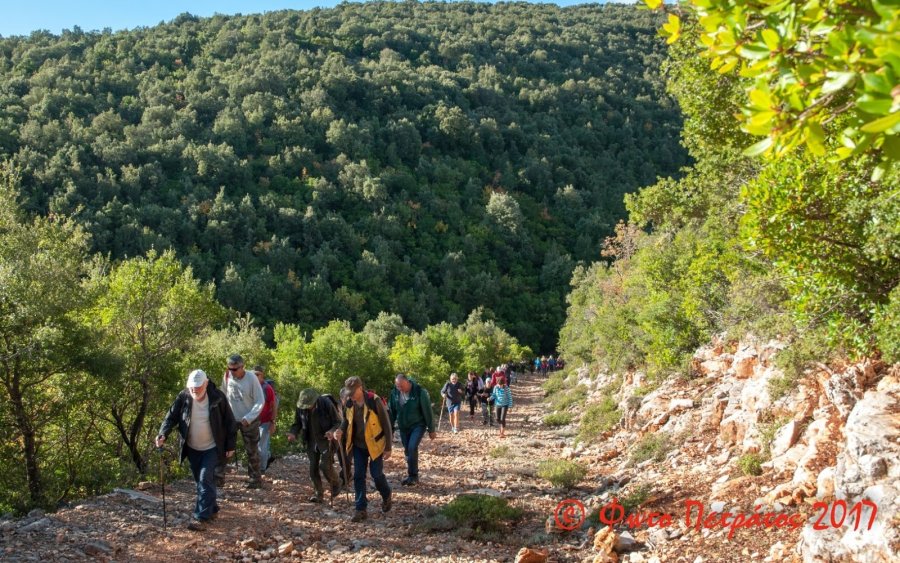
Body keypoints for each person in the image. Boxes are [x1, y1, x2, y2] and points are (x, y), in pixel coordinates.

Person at [156, 369, 236, 530]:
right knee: (200, 481)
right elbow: (170, 417)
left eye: (198, 387)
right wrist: (162, 434)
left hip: (213, 446)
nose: (195, 390)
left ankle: (201, 517)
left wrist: (230, 445)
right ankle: (212, 509)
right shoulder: (184, 397)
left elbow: (230, 421)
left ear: (206, 384)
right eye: (192, 387)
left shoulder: (218, 398)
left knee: (205, 478)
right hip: (192, 447)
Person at [334, 376, 392, 522]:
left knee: (376, 475)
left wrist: (388, 447)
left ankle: (386, 494)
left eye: (353, 391)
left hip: (375, 444)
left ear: (360, 388)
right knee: (359, 475)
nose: (351, 395)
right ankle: (360, 509)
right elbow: (346, 422)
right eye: (349, 392)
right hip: (359, 445)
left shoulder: (374, 400)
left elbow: (386, 424)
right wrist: (340, 430)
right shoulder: (348, 403)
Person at [216, 354, 265, 489]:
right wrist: (222, 415)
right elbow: (223, 396)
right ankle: (218, 478)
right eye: (230, 368)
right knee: (224, 448)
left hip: (249, 420)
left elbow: (260, 400)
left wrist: (249, 417)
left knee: (252, 450)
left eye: (235, 369)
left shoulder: (252, 379)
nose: (232, 371)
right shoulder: (227, 376)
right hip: (231, 419)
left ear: (242, 367)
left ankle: (255, 479)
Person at [287, 388, 342, 504]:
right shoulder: (300, 407)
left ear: (315, 400)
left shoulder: (326, 403)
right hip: (311, 441)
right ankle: (318, 494)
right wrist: (293, 433)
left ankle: (336, 482)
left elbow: (338, 422)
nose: (307, 407)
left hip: (326, 440)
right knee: (313, 469)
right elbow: (297, 423)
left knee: (325, 466)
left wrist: (332, 431)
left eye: (309, 405)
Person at [388, 374, 436, 486]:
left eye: (402, 386)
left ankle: (413, 476)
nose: (400, 389)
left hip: (418, 425)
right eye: (397, 386)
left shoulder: (419, 392)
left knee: (412, 447)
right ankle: (411, 475)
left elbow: (427, 411)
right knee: (408, 450)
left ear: (407, 382)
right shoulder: (394, 393)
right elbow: (392, 411)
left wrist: (431, 429)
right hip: (403, 426)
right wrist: (390, 428)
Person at [255, 366, 277, 474]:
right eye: (254, 374)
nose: (255, 376)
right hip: (253, 422)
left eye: (258, 374)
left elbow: (274, 406)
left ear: (262, 375)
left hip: (265, 421)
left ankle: (262, 469)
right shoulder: (252, 387)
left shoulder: (267, 388)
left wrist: (273, 423)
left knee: (261, 446)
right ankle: (256, 467)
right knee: (255, 445)